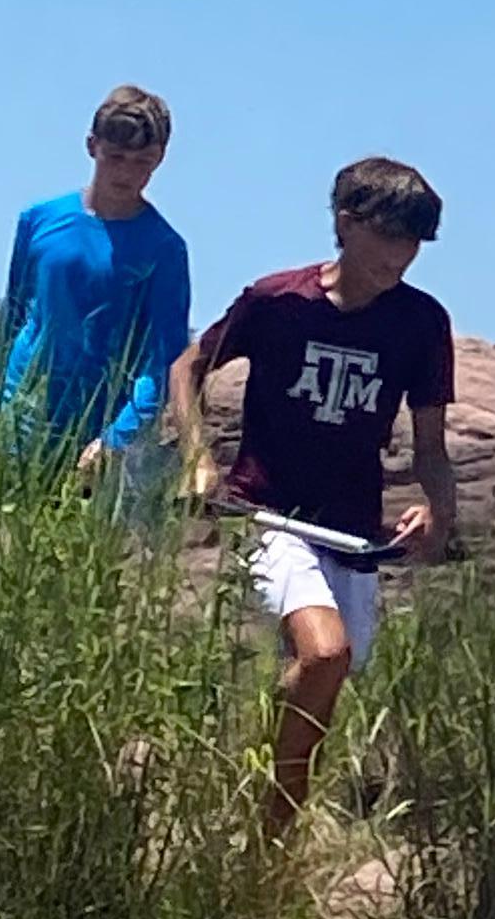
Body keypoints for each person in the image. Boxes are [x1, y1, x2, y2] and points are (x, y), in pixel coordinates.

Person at [171, 157, 457, 835]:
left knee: (321, 690)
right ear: (345, 222)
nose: (401, 257)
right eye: (390, 236)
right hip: (270, 513)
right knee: (325, 652)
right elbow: (189, 366)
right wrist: (197, 460)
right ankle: (268, 834)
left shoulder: (419, 324)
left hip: (352, 532)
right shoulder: (279, 301)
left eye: (414, 242)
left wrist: (437, 511)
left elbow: (430, 447)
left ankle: (262, 841)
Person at [0, 85, 193, 498]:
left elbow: (163, 363)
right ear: (92, 146)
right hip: (22, 417)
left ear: (160, 159)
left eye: (143, 162)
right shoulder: (39, 220)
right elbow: (14, 317)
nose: (126, 173)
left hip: (96, 432)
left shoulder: (164, 249)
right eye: (115, 157)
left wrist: (116, 438)